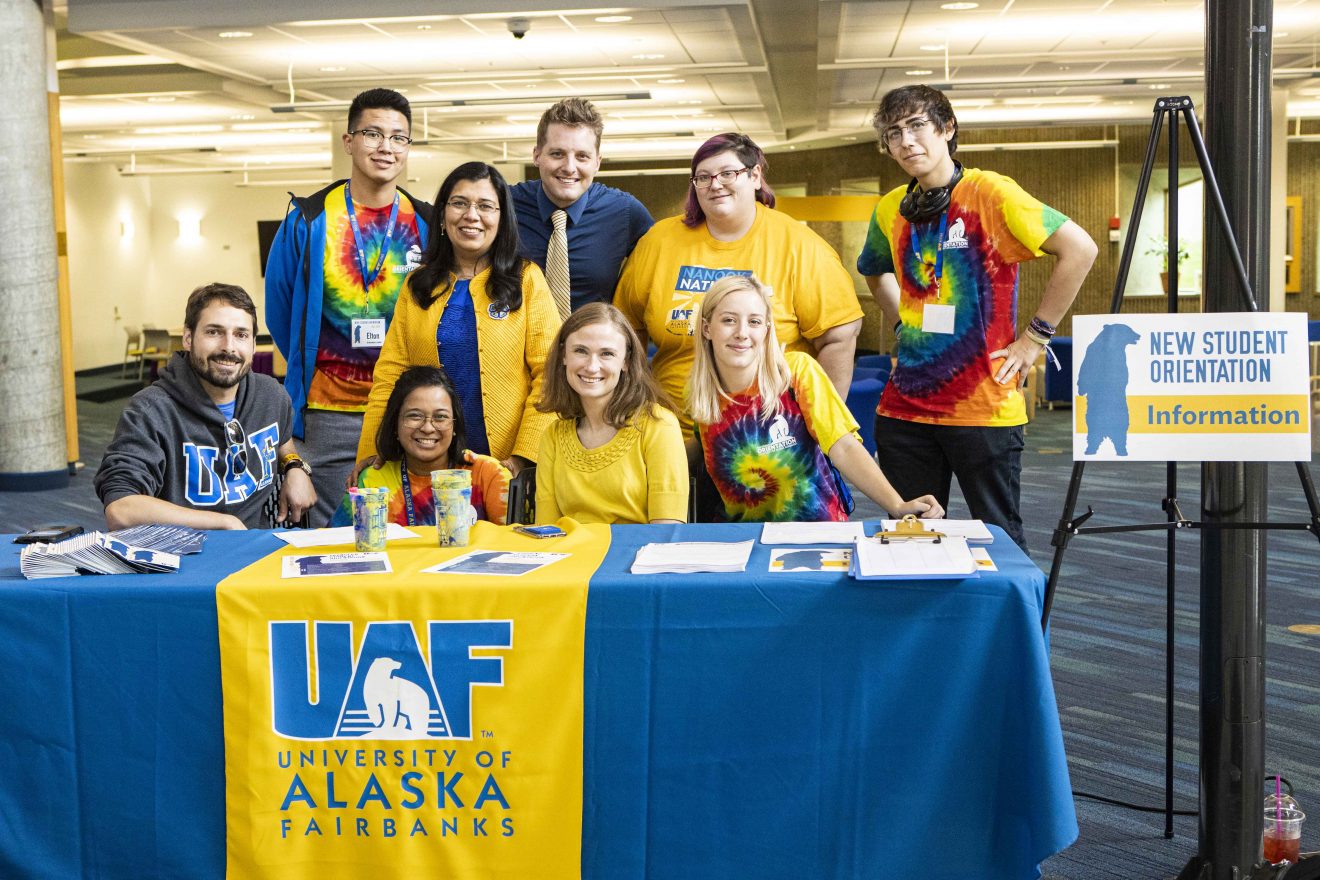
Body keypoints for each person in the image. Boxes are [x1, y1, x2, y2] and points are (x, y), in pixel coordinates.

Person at [857, 84, 1097, 549]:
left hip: (982, 407)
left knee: (999, 541)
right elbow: (873, 270)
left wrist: (1035, 337)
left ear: (947, 128)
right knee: (911, 540)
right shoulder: (891, 208)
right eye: (893, 133)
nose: (906, 141)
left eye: (917, 126)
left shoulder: (990, 193)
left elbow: (1080, 249)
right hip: (906, 408)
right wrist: (901, 323)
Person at [615, 132, 864, 434]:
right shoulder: (659, 242)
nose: (715, 184)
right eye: (703, 177)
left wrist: (815, 427)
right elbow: (625, 327)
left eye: (728, 173)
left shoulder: (800, 245)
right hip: (672, 434)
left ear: (755, 175)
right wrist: (632, 403)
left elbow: (839, 337)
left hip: (768, 436)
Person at [265, 88, 433, 527]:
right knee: (323, 538)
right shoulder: (308, 218)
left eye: (399, 138)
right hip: (326, 413)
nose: (386, 147)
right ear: (348, 141)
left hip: (405, 410)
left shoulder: (427, 224)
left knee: (406, 531)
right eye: (373, 134)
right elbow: (281, 311)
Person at [357, 161, 560, 477]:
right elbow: (391, 374)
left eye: (486, 206)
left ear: (502, 218)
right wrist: (372, 450)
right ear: (442, 215)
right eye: (460, 203)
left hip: (508, 469)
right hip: (429, 468)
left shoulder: (527, 279)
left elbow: (549, 375)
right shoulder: (417, 285)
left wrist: (523, 457)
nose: (472, 215)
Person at [687, 275, 941, 524]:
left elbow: (844, 446)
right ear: (707, 328)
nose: (742, 332)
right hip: (744, 543)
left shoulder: (795, 372)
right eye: (729, 320)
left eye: (754, 322)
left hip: (815, 535)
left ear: (766, 330)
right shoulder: (703, 399)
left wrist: (898, 506)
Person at [95, 283, 316, 530]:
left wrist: (295, 466)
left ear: (253, 344)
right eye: (214, 332)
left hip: (256, 553)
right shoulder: (151, 410)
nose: (229, 347)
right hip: (184, 557)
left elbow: (282, 443)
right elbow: (121, 509)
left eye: (241, 335)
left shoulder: (271, 395)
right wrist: (223, 523)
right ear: (188, 338)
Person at [534, 303, 688, 524]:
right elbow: (546, 534)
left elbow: (666, 534)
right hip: (574, 557)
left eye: (606, 354)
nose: (592, 366)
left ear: (625, 361)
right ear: (563, 356)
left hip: (638, 558)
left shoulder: (659, 425)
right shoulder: (553, 436)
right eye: (581, 351)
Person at [511, 97, 653, 317]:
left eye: (582, 156)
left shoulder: (625, 212)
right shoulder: (504, 206)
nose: (569, 167)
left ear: (597, 162)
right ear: (537, 156)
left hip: (592, 346)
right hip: (517, 348)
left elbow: (659, 270)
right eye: (557, 154)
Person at [331, 367, 509, 527]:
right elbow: (333, 548)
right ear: (395, 424)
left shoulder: (489, 475)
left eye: (440, 417)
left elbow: (518, 551)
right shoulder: (372, 482)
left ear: (455, 426)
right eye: (415, 416)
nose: (427, 428)